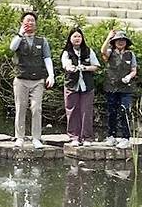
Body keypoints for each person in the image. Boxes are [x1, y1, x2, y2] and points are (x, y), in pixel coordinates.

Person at [9, 12, 55, 149]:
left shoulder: (42, 41)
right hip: (21, 79)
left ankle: (36, 138)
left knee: (36, 108)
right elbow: (12, 48)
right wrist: (20, 33)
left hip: (37, 79)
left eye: (32, 21)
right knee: (20, 108)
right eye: (27, 21)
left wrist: (51, 75)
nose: (30, 23)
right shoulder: (18, 39)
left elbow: (47, 58)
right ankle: (20, 137)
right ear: (22, 23)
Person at [61, 28, 100, 146]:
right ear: (70, 39)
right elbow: (66, 64)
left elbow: (96, 66)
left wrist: (85, 68)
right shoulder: (67, 52)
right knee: (72, 110)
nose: (77, 39)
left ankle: (87, 137)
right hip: (72, 84)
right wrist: (71, 68)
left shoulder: (88, 51)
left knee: (86, 111)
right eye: (74, 36)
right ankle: (74, 136)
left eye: (79, 36)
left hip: (87, 85)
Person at [101, 30, 138, 149]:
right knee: (112, 111)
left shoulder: (130, 54)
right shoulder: (110, 52)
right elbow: (102, 51)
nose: (120, 42)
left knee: (124, 111)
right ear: (114, 42)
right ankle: (111, 136)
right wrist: (108, 37)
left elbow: (134, 70)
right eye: (118, 40)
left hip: (126, 88)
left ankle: (125, 137)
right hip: (111, 86)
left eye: (123, 40)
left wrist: (129, 77)